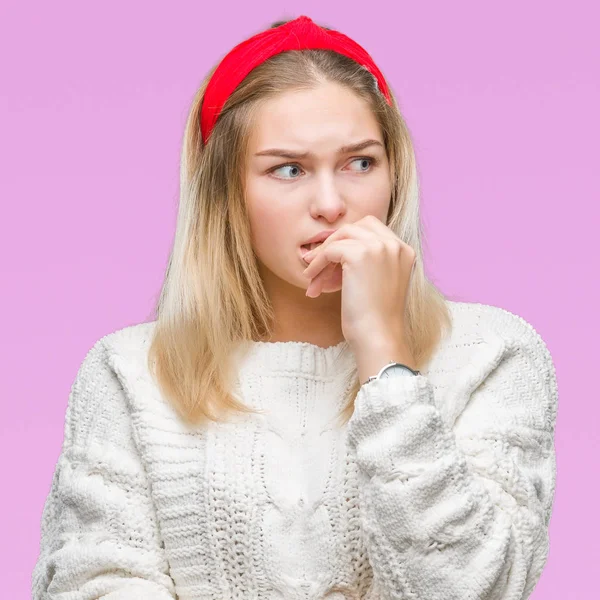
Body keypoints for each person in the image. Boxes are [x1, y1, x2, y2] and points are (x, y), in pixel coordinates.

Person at [32, 15, 558, 600]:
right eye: (289, 169)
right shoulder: (129, 373)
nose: (332, 204)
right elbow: (93, 586)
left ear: (394, 171)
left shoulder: (494, 355)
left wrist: (386, 358)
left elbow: (473, 588)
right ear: (227, 190)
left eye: (360, 162)